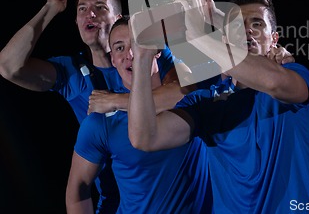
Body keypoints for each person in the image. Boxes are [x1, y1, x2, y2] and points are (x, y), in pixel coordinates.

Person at [128, 0, 309, 214]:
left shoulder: (296, 74)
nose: (247, 31)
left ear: (274, 39)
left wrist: (196, 35)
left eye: (258, 24)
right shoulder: (204, 102)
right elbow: (145, 137)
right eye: (237, 26)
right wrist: (142, 58)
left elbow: (273, 82)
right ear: (224, 39)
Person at [0, 0, 185, 213]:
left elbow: (186, 93)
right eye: (82, 9)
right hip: (118, 203)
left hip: (174, 191)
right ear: (76, 22)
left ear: (119, 17)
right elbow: (8, 67)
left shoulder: (151, 53)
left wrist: (115, 102)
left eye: (100, 7)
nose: (91, 14)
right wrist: (49, 9)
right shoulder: (73, 73)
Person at [66, 16, 212, 213]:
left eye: (137, 44)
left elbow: (184, 93)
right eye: (119, 48)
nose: (131, 54)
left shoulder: (191, 99)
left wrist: (116, 100)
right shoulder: (101, 123)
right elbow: (78, 189)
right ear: (113, 60)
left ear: (157, 51)